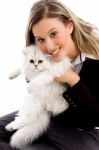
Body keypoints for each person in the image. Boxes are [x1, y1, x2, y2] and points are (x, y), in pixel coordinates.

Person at [1, 0, 99, 149]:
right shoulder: (43, 55)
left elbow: (94, 118)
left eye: (54, 34)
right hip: (44, 116)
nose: (49, 46)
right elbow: (33, 83)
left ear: (69, 26)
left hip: (81, 130)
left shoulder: (94, 58)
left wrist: (73, 80)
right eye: (41, 39)